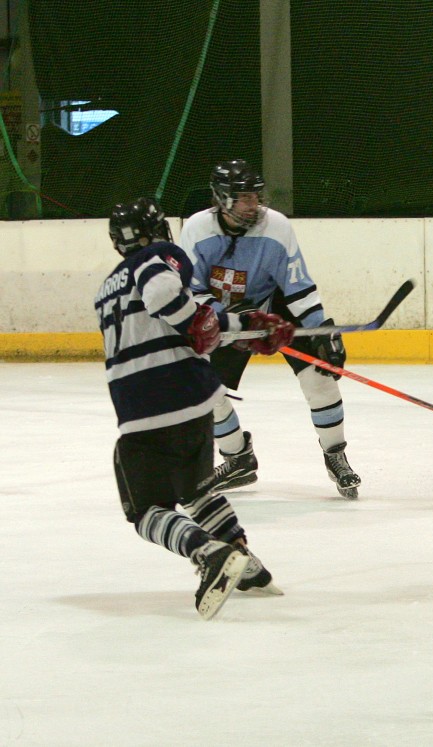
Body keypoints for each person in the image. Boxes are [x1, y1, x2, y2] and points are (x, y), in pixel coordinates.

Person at [95, 197, 293, 619]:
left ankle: (206, 552)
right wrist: (248, 328)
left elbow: (167, 298)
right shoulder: (158, 256)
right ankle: (247, 565)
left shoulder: (112, 284)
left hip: (146, 405)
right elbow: (187, 316)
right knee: (198, 489)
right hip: (195, 397)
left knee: (147, 512)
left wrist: (239, 326)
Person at [178, 160, 362, 499]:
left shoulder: (276, 225)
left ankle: (335, 454)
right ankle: (238, 459)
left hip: (274, 304)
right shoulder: (195, 229)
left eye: (256, 197)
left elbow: (298, 288)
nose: (254, 205)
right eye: (244, 198)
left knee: (318, 377)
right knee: (202, 386)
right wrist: (231, 318)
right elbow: (191, 290)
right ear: (222, 198)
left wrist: (320, 330)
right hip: (222, 315)